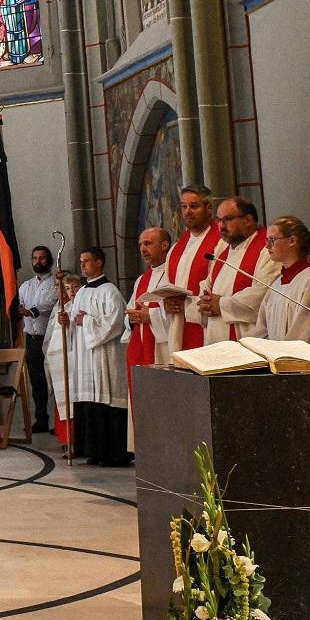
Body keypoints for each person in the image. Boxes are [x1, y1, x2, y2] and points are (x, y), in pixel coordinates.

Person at [69, 248, 131, 467]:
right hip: (86, 358)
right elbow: (74, 320)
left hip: (104, 356)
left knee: (107, 401)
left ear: (99, 263)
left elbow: (115, 324)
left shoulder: (110, 291)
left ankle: (114, 454)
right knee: (90, 403)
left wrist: (85, 322)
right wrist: (66, 320)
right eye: (81, 261)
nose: (82, 265)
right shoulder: (83, 292)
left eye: (86, 261)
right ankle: (94, 450)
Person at [194, 196, 277, 346]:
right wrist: (205, 302)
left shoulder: (267, 250)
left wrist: (221, 304)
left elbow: (264, 293)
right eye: (218, 220)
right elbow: (206, 285)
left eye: (228, 219)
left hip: (250, 339)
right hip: (217, 338)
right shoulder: (223, 250)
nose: (221, 227)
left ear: (248, 220)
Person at [162, 186, 227, 352]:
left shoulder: (221, 243)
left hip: (208, 329)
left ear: (209, 208)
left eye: (194, 206)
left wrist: (189, 307)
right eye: (184, 207)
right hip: (180, 328)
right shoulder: (176, 249)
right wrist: (167, 305)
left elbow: (222, 289)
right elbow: (168, 289)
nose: (188, 212)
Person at [253, 216, 310, 343]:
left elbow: (306, 331)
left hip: (298, 360)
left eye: (272, 240)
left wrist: (282, 358)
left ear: (292, 240)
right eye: (266, 240)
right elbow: (261, 331)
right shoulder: (276, 284)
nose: (267, 246)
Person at [125, 228, 174, 412]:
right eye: (140, 245)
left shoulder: (172, 274)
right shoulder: (141, 280)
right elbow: (130, 311)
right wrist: (132, 318)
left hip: (163, 349)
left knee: (164, 403)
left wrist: (150, 316)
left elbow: (177, 311)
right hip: (141, 346)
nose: (142, 249)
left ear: (164, 245)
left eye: (147, 244)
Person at [16, 245, 58, 433]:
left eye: (41, 258)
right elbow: (21, 305)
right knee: (37, 381)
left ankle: (60, 422)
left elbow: (50, 303)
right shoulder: (26, 285)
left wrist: (31, 311)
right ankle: (41, 418)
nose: (38, 261)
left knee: (56, 378)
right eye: (35, 258)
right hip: (31, 338)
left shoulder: (56, 283)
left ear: (48, 260)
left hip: (50, 337)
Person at [45, 273, 82, 445]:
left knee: (76, 403)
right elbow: (52, 335)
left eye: (74, 287)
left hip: (78, 361)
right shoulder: (62, 308)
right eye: (67, 288)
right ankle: (66, 439)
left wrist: (69, 325)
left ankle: (78, 441)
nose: (71, 291)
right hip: (61, 360)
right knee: (64, 402)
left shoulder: (83, 305)